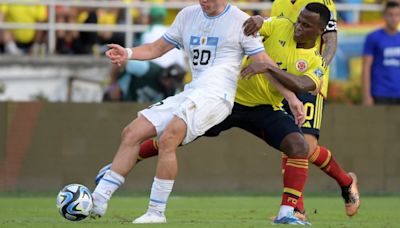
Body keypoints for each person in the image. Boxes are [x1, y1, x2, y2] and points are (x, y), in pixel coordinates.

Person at [94, 3, 336, 225]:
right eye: (299, 21)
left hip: (245, 103)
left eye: (306, 25)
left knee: (298, 146)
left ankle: (287, 213)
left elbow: (285, 74)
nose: (298, 27)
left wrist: (291, 96)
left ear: (320, 30)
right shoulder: (277, 24)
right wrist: (259, 20)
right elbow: (261, 26)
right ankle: (110, 182)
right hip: (222, 97)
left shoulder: (317, 61)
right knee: (152, 133)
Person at [270, 0, 360, 218]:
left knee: (306, 146)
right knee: (290, 144)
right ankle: (296, 209)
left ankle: (346, 182)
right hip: (285, 78)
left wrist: (319, 72)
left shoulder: (322, 3)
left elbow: (330, 41)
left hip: (310, 80)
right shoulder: (278, 3)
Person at [362, 1, 400, 106]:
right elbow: (366, 66)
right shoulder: (373, 37)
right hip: (380, 93)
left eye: (397, 15)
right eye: (390, 15)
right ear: (384, 15)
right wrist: (366, 95)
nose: (394, 18)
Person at [103, 61, 185, 102]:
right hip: (120, 96)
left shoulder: (172, 91)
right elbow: (118, 62)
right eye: (170, 82)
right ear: (165, 75)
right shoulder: (147, 68)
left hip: (136, 111)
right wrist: (113, 85)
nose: (170, 85)